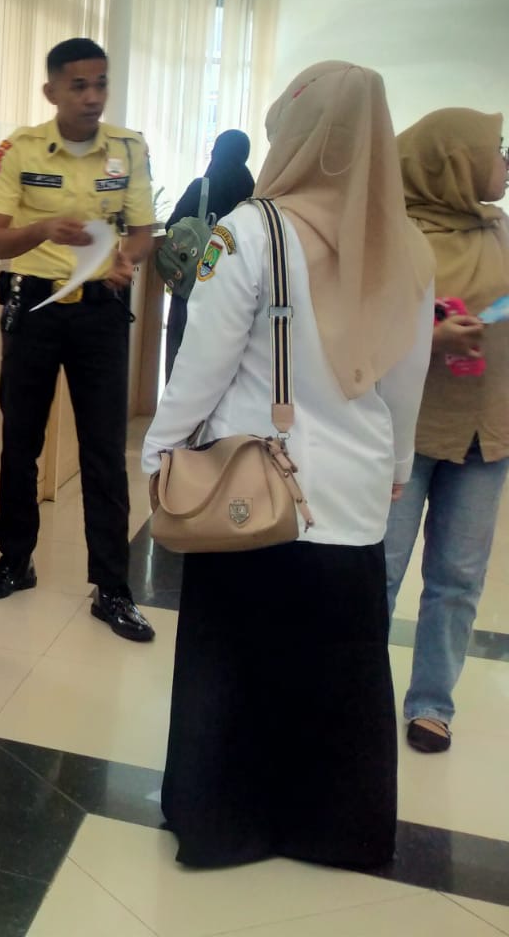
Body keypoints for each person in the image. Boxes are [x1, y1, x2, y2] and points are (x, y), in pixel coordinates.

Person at [143, 61, 435, 869]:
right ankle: (335, 829)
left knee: (232, 661)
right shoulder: (407, 247)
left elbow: (200, 369)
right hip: (354, 494)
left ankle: (224, 824)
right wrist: (398, 464)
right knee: (341, 667)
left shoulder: (248, 233)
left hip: (251, 487)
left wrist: (160, 451)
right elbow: (405, 381)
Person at [0, 37, 158, 642]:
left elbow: (142, 231)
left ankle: (113, 588)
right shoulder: (21, 150)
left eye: (100, 84)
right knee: (20, 442)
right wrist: (44, 228)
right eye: (79, 86)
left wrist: (128, 258)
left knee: (104, 451)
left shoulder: (127, 149)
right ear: (51, 90)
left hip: (100, 314)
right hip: (34, 308)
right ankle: (14, 561)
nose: (92, 97)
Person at [384, 107, 509, 755]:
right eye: (496, 150)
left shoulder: (500, 230)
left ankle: (432, 702)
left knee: (458, 577)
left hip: (485, 432)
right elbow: (365, 329)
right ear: (455, 161)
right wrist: (431, 338)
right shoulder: (396, 235)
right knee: (379, 570)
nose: (505, 163)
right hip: (406, 431)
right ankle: (353, 691)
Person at [162, 128, 254, 379]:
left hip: (194, 282)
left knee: (182, 353)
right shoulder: (252, 192)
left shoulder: (201, 187)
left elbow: (172, 228)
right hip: (234, 289)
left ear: (216, 151)